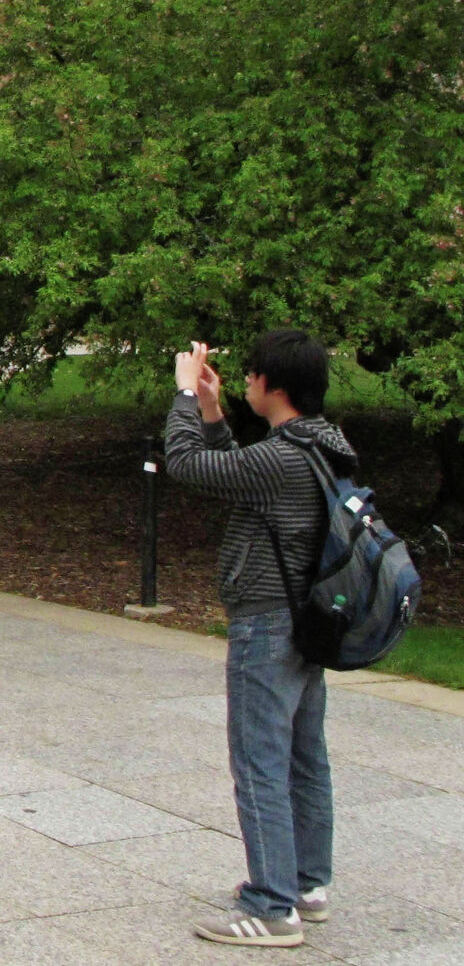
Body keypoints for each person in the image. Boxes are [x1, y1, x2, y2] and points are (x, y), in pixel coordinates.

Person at [167, 330, 346, 948]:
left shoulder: (286, 456)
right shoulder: (319, 446)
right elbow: (239, 476)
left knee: (259, 762)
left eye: (251, 376)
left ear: (275, 386)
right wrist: (216, 412)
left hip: (267, 621)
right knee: (303, 756)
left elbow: (188, 465)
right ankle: (306, 886)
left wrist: (186, 394)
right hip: (306, 620)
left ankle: (271, 907)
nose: (244, 382)